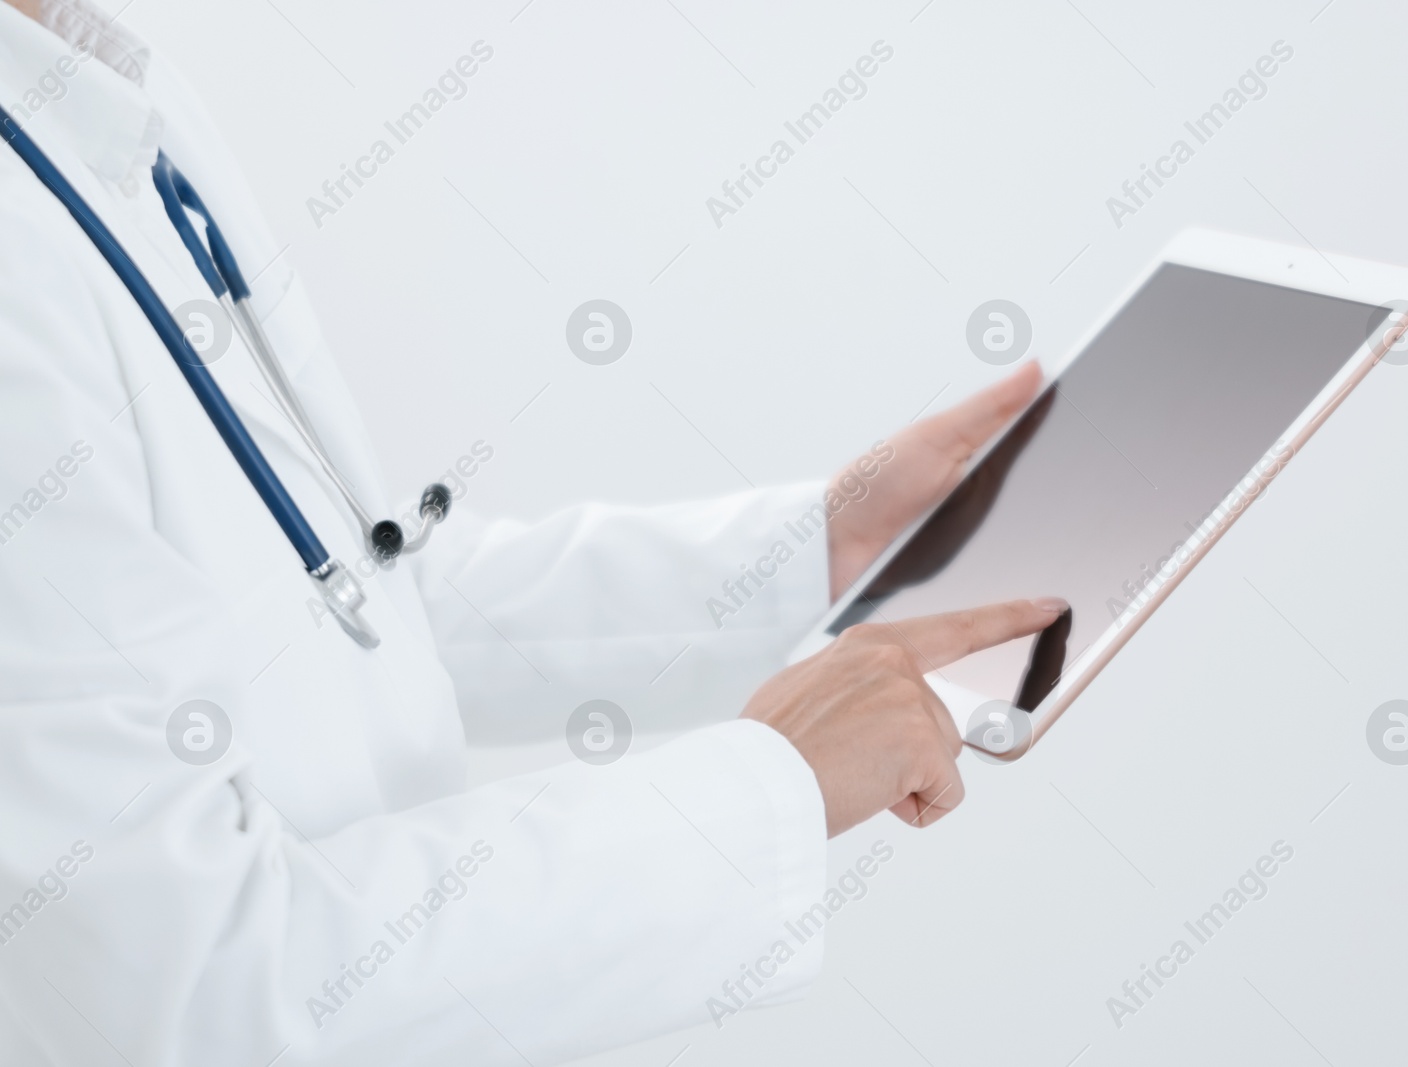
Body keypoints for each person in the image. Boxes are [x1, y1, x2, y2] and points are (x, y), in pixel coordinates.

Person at [0, 1, 1065, 1062]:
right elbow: (195, 999)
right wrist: (762, 785)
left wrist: (807, 554)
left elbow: (358, 594)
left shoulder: (104, 87)